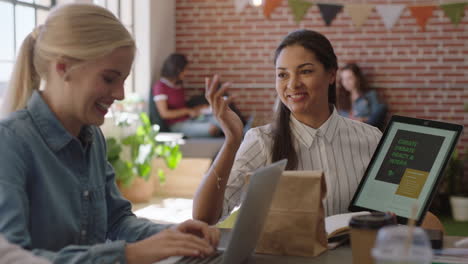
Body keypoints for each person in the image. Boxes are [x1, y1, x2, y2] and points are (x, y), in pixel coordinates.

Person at [0, 4, 218, 264]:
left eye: (123, 80)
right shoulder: (11, 143)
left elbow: (117, 220)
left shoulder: (92, 138)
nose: (120, 94)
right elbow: (13, 258)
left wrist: (173, 234)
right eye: (109, 79)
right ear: (63, 67)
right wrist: (127, 254)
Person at [192, 29, 383, 225]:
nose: (292, 84)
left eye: (305, 71)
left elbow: (392, 212)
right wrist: (232, 140)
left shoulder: (371, 138)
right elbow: (204, 217)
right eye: (282, 75)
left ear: (332, 74)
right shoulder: (262, 141)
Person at [152, 53, 221, 137]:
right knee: (213, 129)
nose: (186, 72)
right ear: (177, 69)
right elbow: (164, 113)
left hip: (189, 119)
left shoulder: (178, 85)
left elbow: (182, 106)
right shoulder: (160, 87)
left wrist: (196, 109)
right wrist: (187, 111)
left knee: (221, 120)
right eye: (185, 69)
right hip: (176, 125)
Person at [336, 63, 387, 128]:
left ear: (357, 78)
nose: (346, 82)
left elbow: (377, 117)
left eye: (349, 78)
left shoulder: (370, 95)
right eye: (343, 79)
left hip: (366, 132)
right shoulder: (341, 98)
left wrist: (362, 120)